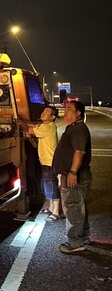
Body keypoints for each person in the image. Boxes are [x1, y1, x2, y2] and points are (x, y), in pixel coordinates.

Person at [52, 100, 92, 254]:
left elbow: (79, 152)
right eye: (65, 108)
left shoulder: (78, 128)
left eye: (69, 109)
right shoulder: (73, 127)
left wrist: (73, 172)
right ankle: (83, 237)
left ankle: (75, 242)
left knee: (73, 207)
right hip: (72, 175)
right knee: (78, 208)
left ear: (78, 113)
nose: (65, 111)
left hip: (75, 176)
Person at [26, 105, 60, 221]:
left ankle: (56, 212)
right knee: (47, 186)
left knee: (51, 186)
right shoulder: (44, 126)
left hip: (50, 163)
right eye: (44, 110)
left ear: (52, 117)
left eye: (47, 111)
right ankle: (51, 207)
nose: (43, 113)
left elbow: (29, 130)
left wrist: (17, 120)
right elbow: (33, 126)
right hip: (46, 162)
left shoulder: (49, 127)